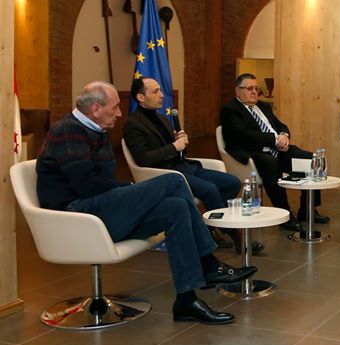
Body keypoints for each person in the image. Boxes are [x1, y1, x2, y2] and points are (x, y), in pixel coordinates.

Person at [37, 82, 256, 325]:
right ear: (96, 109)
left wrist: (131, 193)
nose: (119, 113)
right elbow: (86, 185)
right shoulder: (68, 131)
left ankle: (186, 300)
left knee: (177, 207)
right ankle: (209, 264)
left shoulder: (97, 130)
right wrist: (131, 191)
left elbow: (102, 182)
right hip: (78, 216)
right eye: (115, 107)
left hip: (100, 210)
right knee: (173, 180)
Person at [124, 77, 263, 255]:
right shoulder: (133, 124)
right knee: (209, 189)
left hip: (184, 166)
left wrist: (181, 142)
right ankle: (235, 235)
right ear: (140, 97)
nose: (162, 95)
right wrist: (174, 146)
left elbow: (178, 151)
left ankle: (209, 227)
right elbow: (143, 159)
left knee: (232, 182)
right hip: (166, 174)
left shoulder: (162, 118)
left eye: (160, 90)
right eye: (155, 91)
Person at [220, 73, 315, 230]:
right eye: (249, 88)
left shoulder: (263, 106)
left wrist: (284, 135)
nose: (254, 92)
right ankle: (285, 214)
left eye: (256, 88)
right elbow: (244, 134)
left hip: (277, 149)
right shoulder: (230, 110)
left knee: (310, 159)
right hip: (253, 152)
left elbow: (280, 125)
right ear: (237, 91)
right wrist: (275, 140)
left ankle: (308, 209)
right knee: (270, 162)